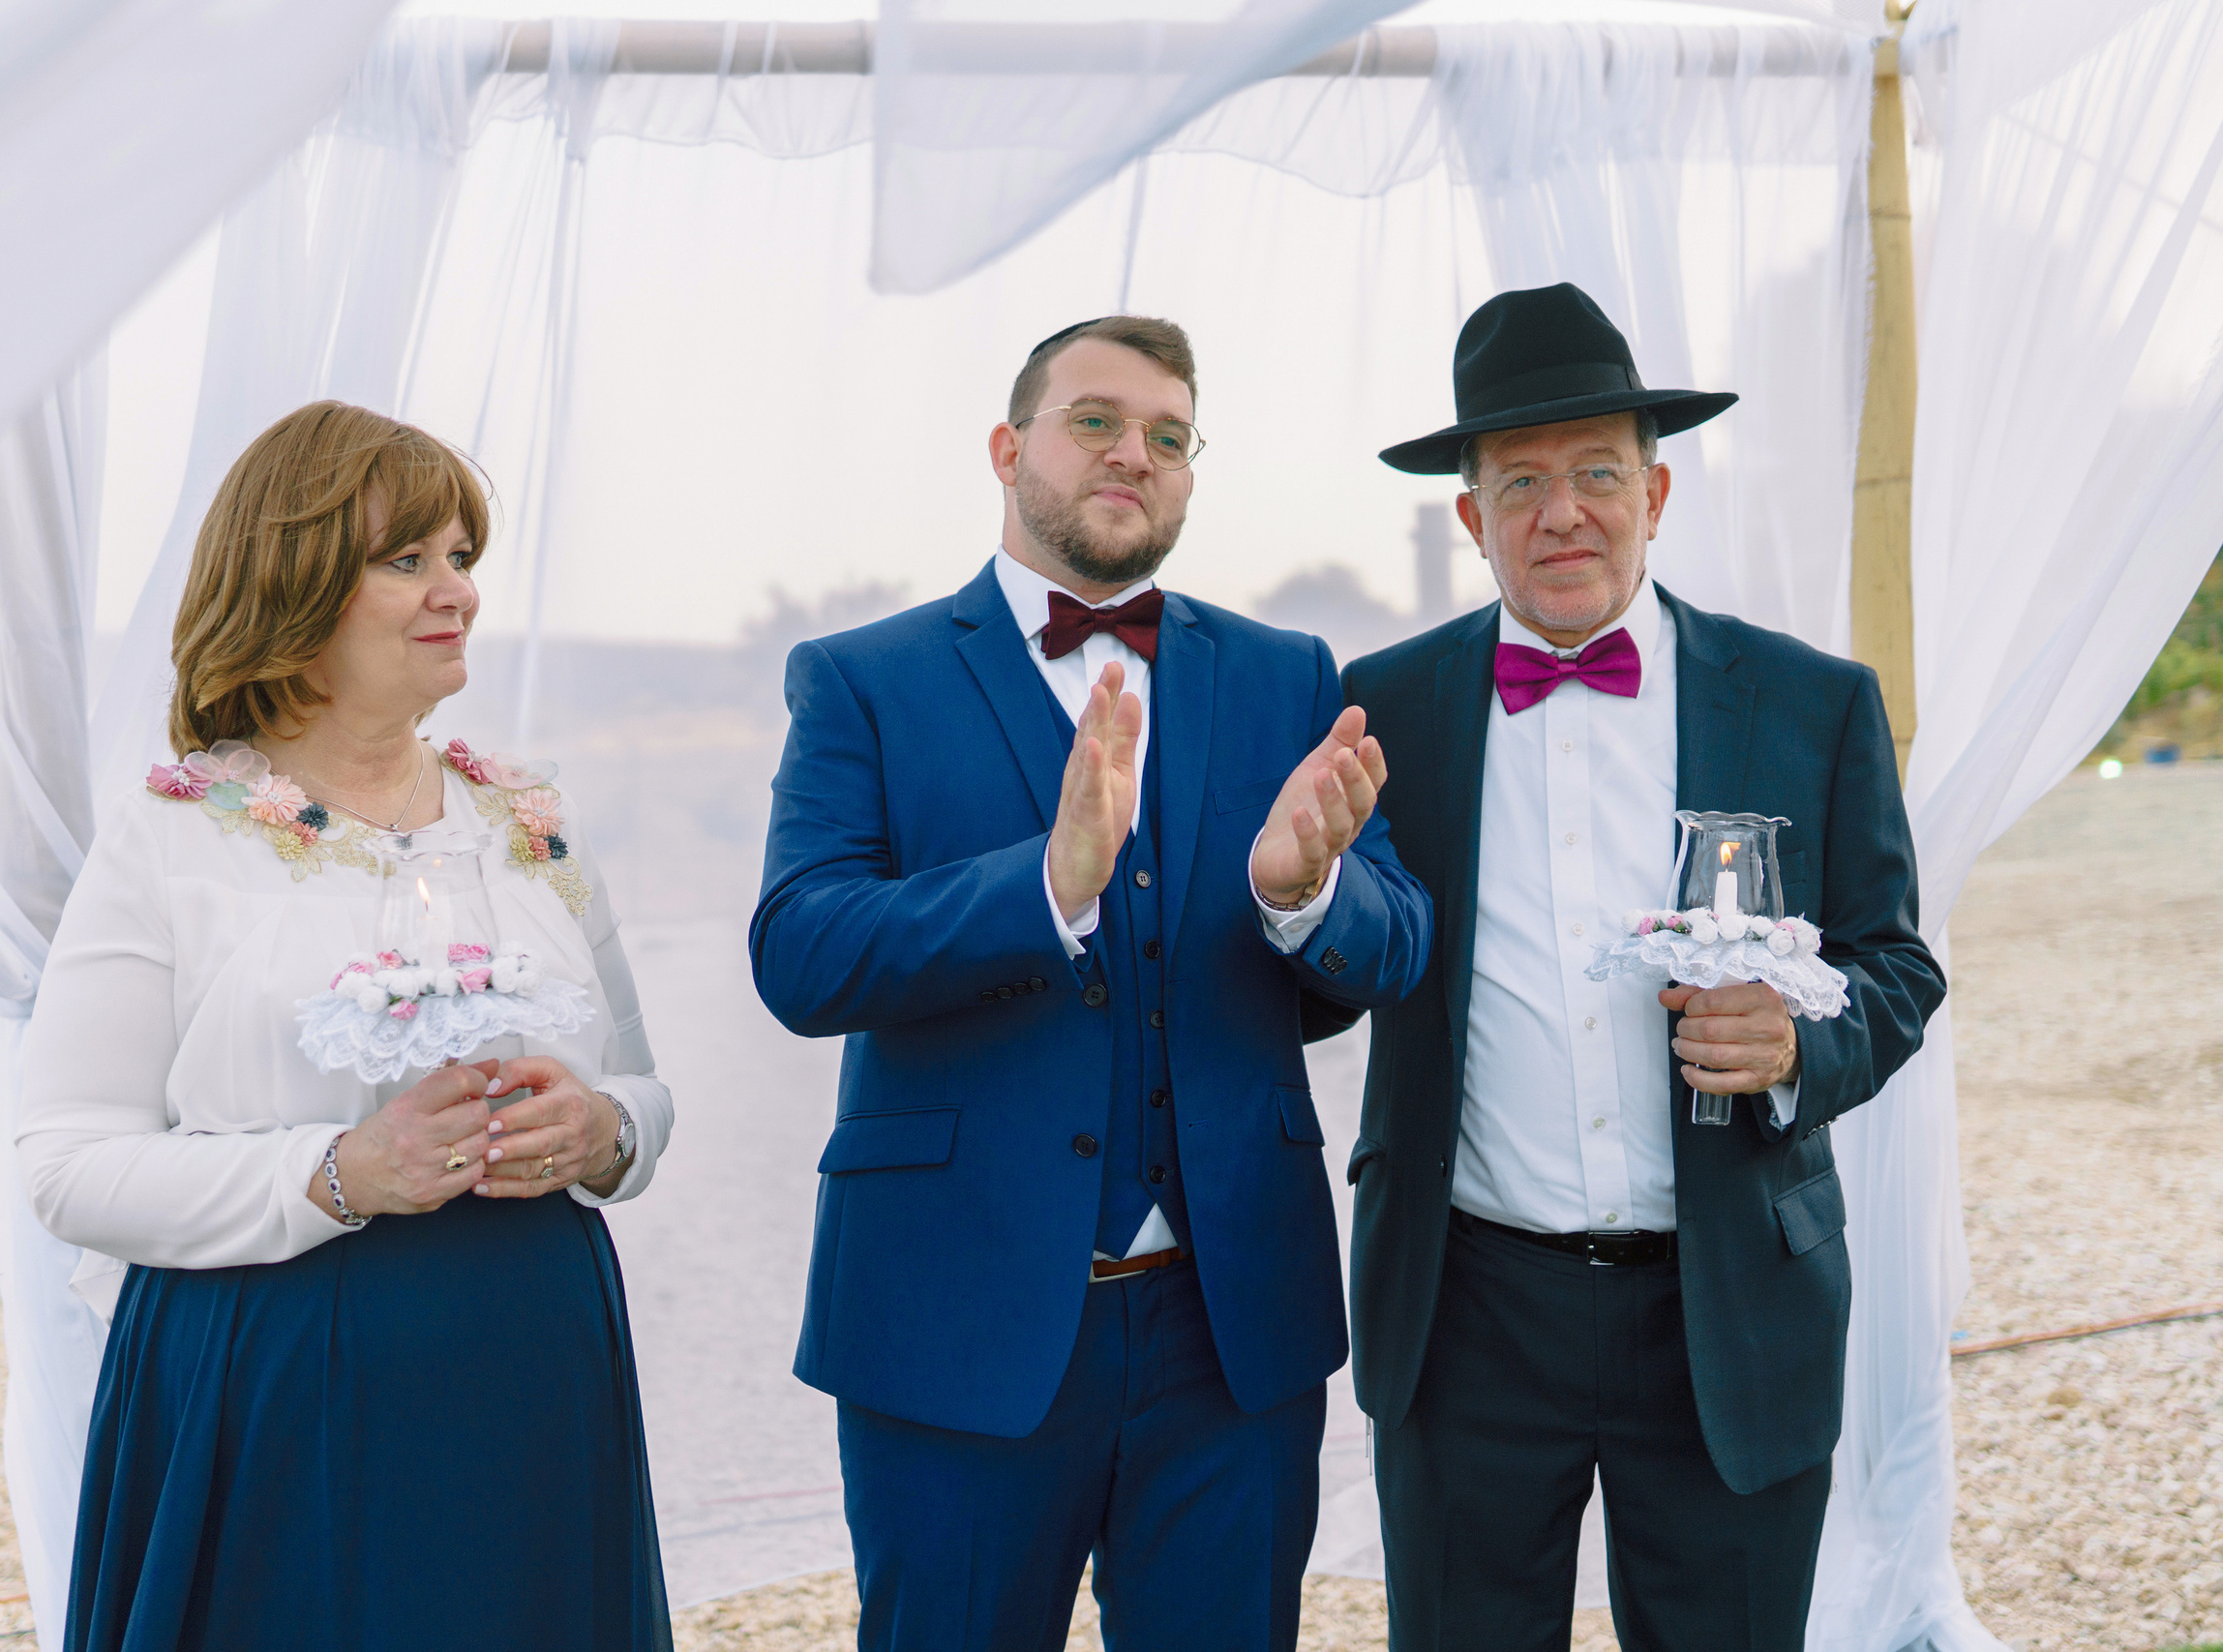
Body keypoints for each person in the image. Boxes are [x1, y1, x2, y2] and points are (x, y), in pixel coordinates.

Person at [750, 315, 1434, 1650]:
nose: (1136, 454)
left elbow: (1394, 939)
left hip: (1232, 1333)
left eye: (1170, 438)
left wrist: (1303, 895)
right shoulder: (863, 681)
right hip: (954, 1323)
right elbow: (802, 952)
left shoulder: (1286, 675)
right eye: (1098, 422)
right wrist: (1045, 889)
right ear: (1008, 450)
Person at [1333, 284, 1945, 1651]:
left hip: (1731, 1301)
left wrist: (1797, 1046)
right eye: (1522, 481)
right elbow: (1336, 969)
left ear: (1656, 495)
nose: (1564, 512)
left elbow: (1896, 967)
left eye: (1598, 473)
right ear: (1471, 517)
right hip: (1466, 1307)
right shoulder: (1384, 709)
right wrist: (1295, 898)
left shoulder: (1810, 702)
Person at [17, 402, 676, 1651]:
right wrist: (337, 1172)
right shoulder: (175, 835)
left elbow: (642, 1090)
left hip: (532, 1357)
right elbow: (68, 1165)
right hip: (275, 1370)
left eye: (461, 557)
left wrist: (603, 1133)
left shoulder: (527, 820)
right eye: (407, 559)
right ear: (293, 582)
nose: (457, 591)